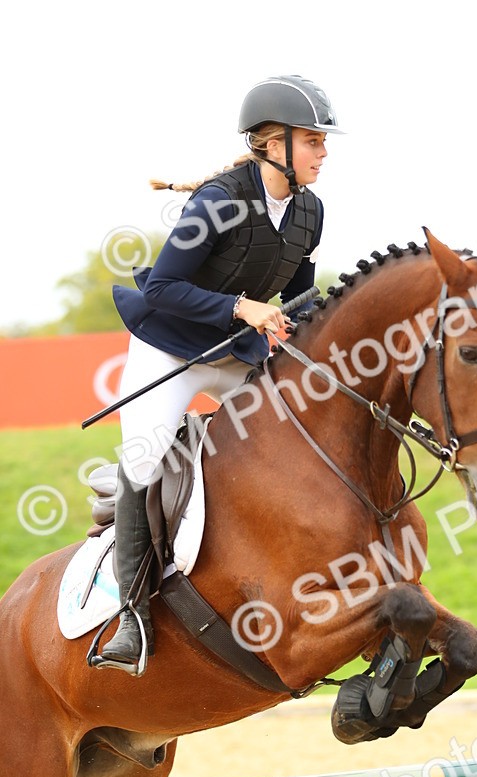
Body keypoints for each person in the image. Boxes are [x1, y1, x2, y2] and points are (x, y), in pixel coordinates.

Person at [91, 75, 342, 676]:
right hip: (171, 344)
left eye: (322, 142)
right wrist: (242, 307)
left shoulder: (310, 210)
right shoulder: (219, 202)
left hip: (236, 350)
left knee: (290, 436)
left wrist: (312, 318)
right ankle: (130, 615)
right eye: (312, 141)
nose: (323, 152)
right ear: (271, 144)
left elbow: (300, 295)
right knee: (146, 460)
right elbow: (162, 287)